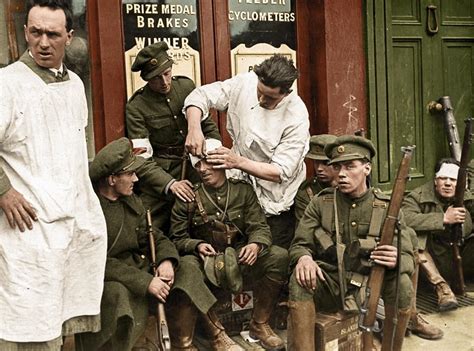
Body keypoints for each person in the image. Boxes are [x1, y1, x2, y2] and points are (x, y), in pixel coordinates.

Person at [0, 1, 107, 349]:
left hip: (69, 220)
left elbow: (75, 154)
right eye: (35, 32)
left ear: (69, 37)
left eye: (53, 34)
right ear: (26, 32)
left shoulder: (75, 84)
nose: (43, 43)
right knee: (29, 326)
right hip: (27, 228)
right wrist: (4, 191)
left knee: (63, 322)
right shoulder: (7, 83)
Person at [287, 135, 415, 351]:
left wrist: (396, 258)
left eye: (350, 166)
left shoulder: (387, 208)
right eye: (337, 167)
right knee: (299, 280)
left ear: (367, 168)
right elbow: (300, 243)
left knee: (402, 285)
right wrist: (304, 258)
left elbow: (408, 257)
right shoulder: (321, 203)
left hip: (370, 283)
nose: (342, 174)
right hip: (332, 281)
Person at [169, 138, 289, 351]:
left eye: (208, 162)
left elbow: (259, 227)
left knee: (278, 256)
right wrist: (196, 245)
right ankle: (217, 335)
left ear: (223, 163)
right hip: (206, 264)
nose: (203, 169)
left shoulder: (242, 191)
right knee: (187, 268)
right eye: (198, 164)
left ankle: (259, 324)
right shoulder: (189, 197)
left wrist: (255, 245)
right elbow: (176, 238)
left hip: (239, 259)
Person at [184, 54, 310, 249]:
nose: (261, 99)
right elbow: (200, 95)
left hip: (276, 201)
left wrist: (237, 162)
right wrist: (194, 128)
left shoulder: (297, 116)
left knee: (272, 255)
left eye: (270, 97)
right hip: (241, 193)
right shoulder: (245, 83)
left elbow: (281, 172)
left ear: (285, 93)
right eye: (259, 91)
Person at [76, 138, 179, 351]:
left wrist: (166, 260)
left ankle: (183, 342)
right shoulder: (91, 211)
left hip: (136, 269)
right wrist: (145, 281)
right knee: (118, 295)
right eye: (130, 174)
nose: (136, 178)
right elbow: (97, 262)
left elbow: (152, 235)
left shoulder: (132, 201)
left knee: (186, 270)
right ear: (112, 179)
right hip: (104, 278)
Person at [126, 41, 221, 235]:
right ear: (146, 78)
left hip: (197, 167)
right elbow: (142, 159)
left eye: (167, 74)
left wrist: (211, 159)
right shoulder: (136, 106)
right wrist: (170, 184)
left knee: (213, 218)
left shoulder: (186, 87)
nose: (164, 82)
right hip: (161, 174)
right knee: (146, 226)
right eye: (156, 78)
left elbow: (209, 128)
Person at [402, 158, 474, 310]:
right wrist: (443, 219)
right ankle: (442, 289)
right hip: (431, 260)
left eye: (453, 179)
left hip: (461, 258)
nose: (447, 183)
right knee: (413, 237)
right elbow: (404, 218)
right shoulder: (416, 197)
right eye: (443, 178)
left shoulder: (467, 196)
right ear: (435, 180)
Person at [294, 134, 337, 226]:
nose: (319, 168)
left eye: (326, 163)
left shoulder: (350, 188)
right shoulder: (307, 192)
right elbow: (304, 232)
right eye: (316, 162)